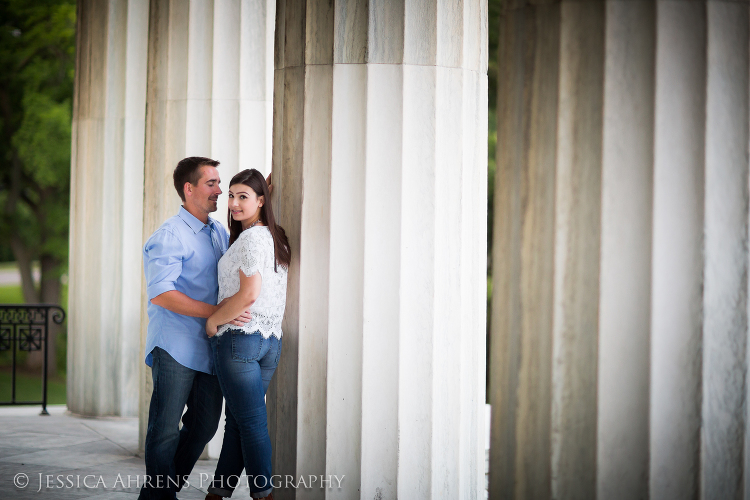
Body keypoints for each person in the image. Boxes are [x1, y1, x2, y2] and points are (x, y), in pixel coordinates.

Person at [140, 157, 251, 500]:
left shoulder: (219, 232)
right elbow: (162, 293)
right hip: (174, 345)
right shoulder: (170, 235)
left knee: (204, 426)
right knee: (164, 431)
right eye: (212, 184)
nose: (220, 191)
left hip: (209, 347)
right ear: (189, 189)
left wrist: (266, 190)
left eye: (220, 184)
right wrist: (217, 312)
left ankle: (159, 493)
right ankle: (161, 497)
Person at [203, 169, 291, 500]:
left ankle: (263, 494)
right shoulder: (275, 236)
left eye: (244, 197)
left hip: (239, 341)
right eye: (232, 195)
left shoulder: (252, 239)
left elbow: (249, 293)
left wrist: (213, 321)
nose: (235, 204)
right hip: (269, 344)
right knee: (239, 422)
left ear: (260, 201)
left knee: (250, 423)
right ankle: (218, 491)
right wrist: (258, 188)